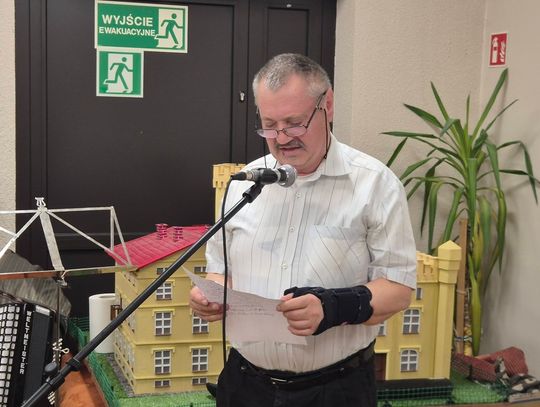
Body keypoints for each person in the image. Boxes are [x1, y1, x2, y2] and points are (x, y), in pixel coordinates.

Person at [189, 53, 417, 407]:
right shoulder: (244, 184)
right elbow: (221, 272)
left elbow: (399, 289)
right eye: (269, 125)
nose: (281, 138)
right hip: (245, 385)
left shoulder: (375, 185)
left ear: (328, 105)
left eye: (294, 124)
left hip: (335, 390)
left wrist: (332, 307)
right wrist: (211, 296)